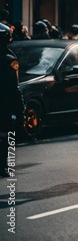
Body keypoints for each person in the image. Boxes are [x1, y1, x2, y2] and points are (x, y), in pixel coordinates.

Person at [0, 23, 24, 177]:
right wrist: (19, 108)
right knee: (5, 135)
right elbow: (13, 87)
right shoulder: (9, 60)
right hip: (4, 104)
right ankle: (3, 165)